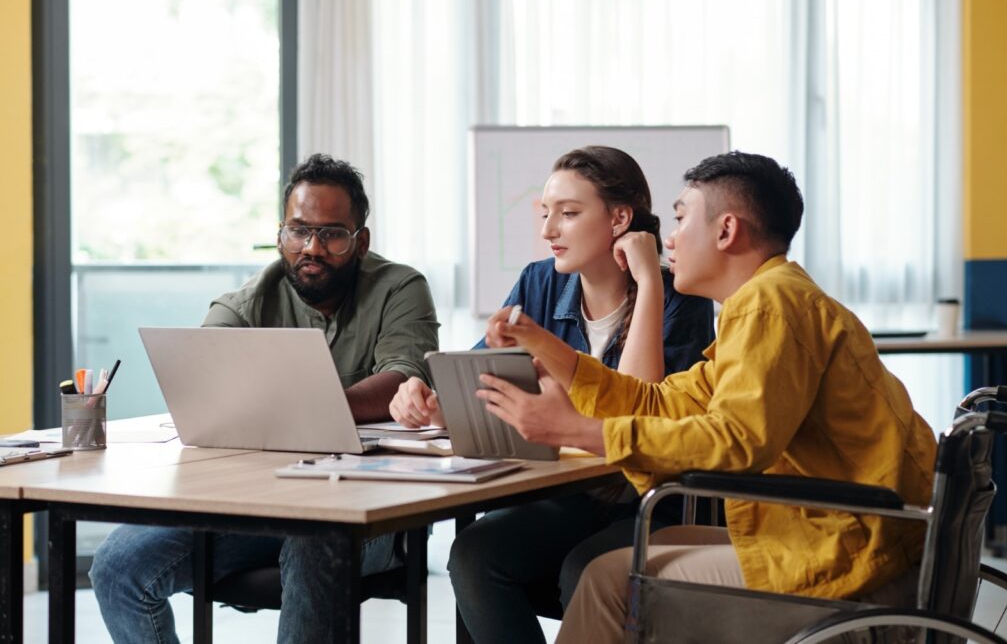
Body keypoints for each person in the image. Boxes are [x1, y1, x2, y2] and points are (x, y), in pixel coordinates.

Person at [475, 151, 938, 643]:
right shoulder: (768, 299)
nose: (668, 238)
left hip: (857, 559)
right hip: (852, 536)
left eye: (680, 218)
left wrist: (575, 429)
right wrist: (545, 345)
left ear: (726, 231)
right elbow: (661, 402)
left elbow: (736, 442)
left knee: (609, 581)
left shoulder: (769, 306)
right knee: (643, 553)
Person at [89, 153, 440, 644]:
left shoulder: (400, 287)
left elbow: (403, 378)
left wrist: (289, 401)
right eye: (298, 231)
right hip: (255, 505)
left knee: (314, 537)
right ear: (280, 235)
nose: (311, 248)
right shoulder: (243, 303)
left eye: (332, 234)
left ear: (360, 242)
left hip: (372, 510)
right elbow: (202, 390)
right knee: (118, 566)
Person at [389, 146, 714, 642]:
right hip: (568, 491)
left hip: (649, 498)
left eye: (568, 213)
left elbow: (639, 404)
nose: (548, 231)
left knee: (583, 571)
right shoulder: (537, 281)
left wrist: (649, 281)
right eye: (546, 214)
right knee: (475, 553)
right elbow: (481, 376)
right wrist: (433, 398)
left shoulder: (680, 295)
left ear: (619, 218)